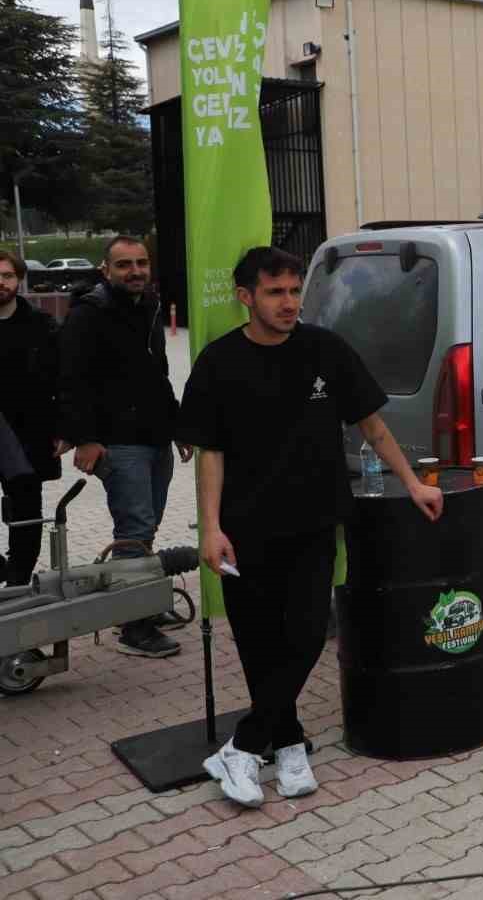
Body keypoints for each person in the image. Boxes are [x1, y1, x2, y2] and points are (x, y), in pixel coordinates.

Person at [178, 247, 444, 808]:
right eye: (275, 292)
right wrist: (211, 527)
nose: (289, 303)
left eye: (295, 291)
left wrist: (413, 482)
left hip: (315, 523)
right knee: (258, 643)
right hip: (245, 530)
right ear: (246, 297)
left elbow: (372, 424)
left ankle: (244, 746)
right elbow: (211, 453)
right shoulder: (218, 363)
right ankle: (289, 739)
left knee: (302, 636)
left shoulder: (325, 349)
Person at [57, 236, 190, 657]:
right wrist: (86, 439)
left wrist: (178, 426)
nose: (135, 271)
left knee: (145, 529)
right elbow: (71, 382)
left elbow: (158, 376)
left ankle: (143, 601)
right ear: (105, 270)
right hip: (119, 443)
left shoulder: (148, 306)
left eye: (141, 263)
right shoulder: (88, 315)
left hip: (154, 438)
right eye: (124, 265)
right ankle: (134, 626)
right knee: (133, 531)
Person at [0, 251, 64, 586]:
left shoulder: (41, 325)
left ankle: (18, 588)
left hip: (28, 439)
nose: (1, 282)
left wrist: (63, 430)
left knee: (26, 519)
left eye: (8, 275)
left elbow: (62, 380)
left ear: (19, 279)